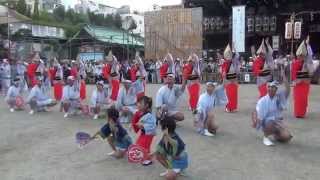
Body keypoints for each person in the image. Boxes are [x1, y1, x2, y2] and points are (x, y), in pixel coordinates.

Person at [253, 67, 292, 146]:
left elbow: (288, 89)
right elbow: (258, 115)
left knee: (287, 137)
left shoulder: (279, 96)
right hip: (266, 122)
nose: (271, 89)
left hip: (277, 121)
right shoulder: (263, 100)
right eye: (269, 87)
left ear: (276, 89)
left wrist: (283, 76)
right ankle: (266, 137)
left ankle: (275, 134)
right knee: (271, 121)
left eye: (273, 87)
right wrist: (256, 123)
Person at [291, 36, 314, 118]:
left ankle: (302, 113)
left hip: (305, 84)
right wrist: (295, 80)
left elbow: (311, 72)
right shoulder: (295, 63)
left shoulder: (307, 63)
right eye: (300, 56)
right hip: (298, 84)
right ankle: (298, 113)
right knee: (298, 99)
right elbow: (293, 73)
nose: (301, 57)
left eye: (302, 56)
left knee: (304, 99)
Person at [131, 96, 157, 166]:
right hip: (145, 132)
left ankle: (147, 159)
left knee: (142, 145)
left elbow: (152, 125)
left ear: (146, 105)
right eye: (138, 103)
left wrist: (143, 126)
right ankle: (149, 157)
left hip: (148, 133)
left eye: (140, 103)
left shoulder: (149, 115)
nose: (138, 104)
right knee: (142, 145)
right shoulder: (141, 113)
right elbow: (137, 121)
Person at [221, 43, 240, 112]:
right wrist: (223, 73)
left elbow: (237, 55)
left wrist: (234, 48)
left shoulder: (234, 61)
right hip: (228, 81)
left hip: (234, 80)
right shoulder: (224, 63)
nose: (229, 56)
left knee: (234, 95)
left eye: (230, 55)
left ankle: (234, 107)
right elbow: (223, 71)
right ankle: (228, 107)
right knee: (229, 95)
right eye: (228, 55)